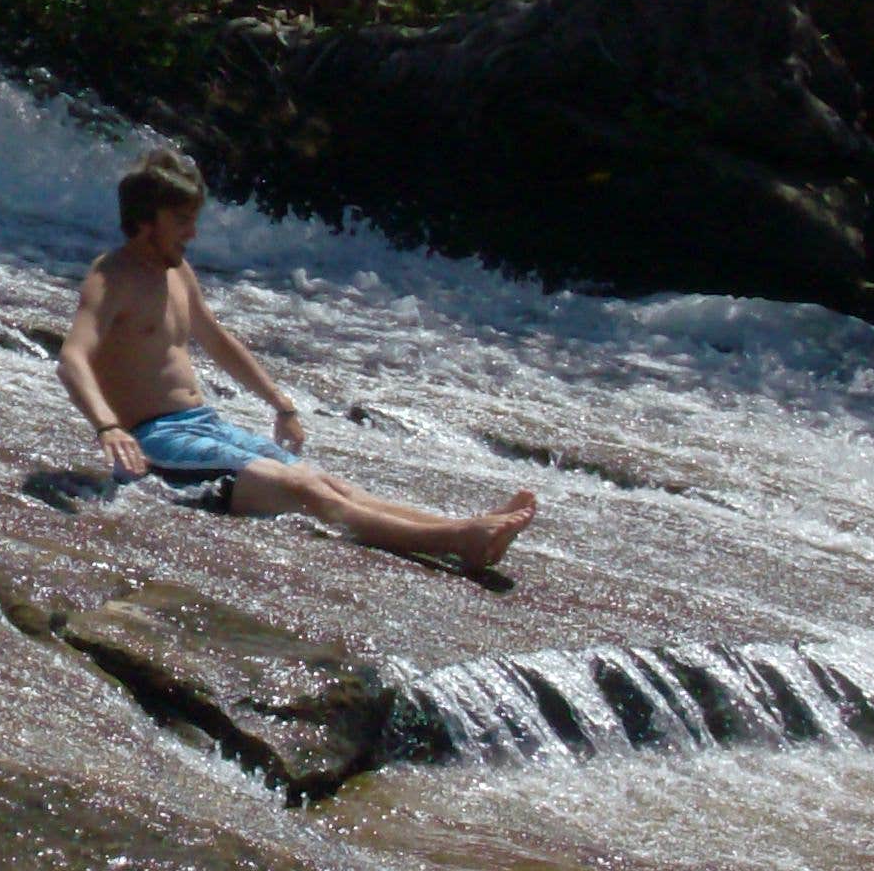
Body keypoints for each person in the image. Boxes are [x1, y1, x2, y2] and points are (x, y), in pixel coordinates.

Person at [56, 147, 538, 575]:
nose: (192, 232)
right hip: (155, 446)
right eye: (181, 220)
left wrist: (280, 403)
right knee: (302, 490)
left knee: (324, 481)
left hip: (204, 426)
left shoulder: (178, 271)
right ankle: (457, 542)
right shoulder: (112, 276)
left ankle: (467, 526)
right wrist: (107, 427)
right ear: (146, 219)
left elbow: (218, 341)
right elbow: (73, 358)